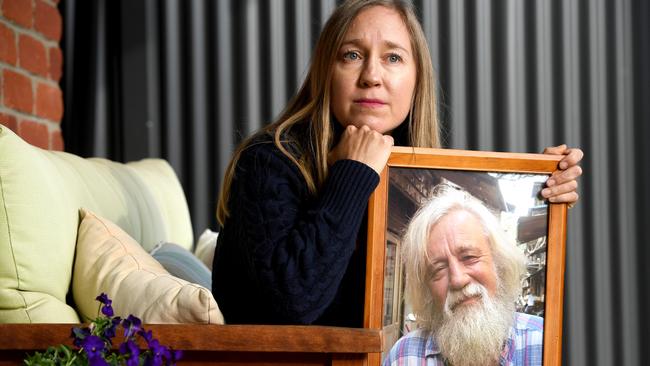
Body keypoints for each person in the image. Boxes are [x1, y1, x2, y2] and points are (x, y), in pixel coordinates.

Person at [211, 0, 583, 326]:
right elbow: (290, 305)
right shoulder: (268, 162)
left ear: (416, 79)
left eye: (393, 58)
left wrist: (544, 187)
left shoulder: (418, 173)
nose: (372, 76)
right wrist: (351, 175)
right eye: (351, 55)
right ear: (326, 71)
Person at [383, 186, 543, 366]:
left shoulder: (545, 342)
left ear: (498, 262)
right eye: (438, 270)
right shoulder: (404, 357)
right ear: (427, 289)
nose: (458, 280)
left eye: (469, 257)